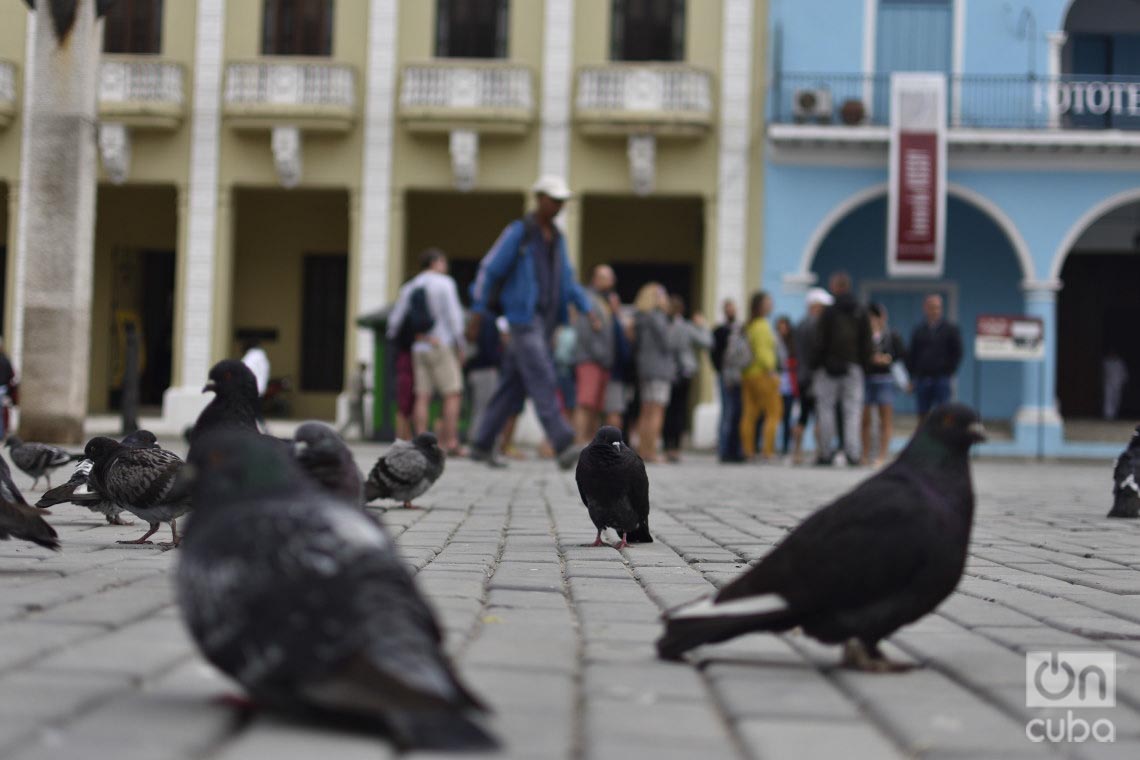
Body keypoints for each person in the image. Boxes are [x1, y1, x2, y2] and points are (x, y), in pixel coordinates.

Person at [467, 175, 591, 470]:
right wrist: (478, 310)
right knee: (543, 376)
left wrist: (587, 306)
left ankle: (481, 443)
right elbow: (491, 269)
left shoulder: (558, 239)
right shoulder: (519, 233)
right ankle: (562, 443)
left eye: (562, 201)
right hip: (522, 319)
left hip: (545, 321)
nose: (559, 206)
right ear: (539, 199)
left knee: (512, 385)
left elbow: (567, 279)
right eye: (554, 200)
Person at [388, 248, 468, 456]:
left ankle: (421, 441)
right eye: (443, 261)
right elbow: (454, 316)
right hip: (440, 344)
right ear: (436, 263)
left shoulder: (410, 286)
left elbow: (395, 321)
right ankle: (451, 441)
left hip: (418, 347)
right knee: (452, 393)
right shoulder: (445, 283)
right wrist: (461, 345)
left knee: (422, 395)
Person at [811, 272, 872, 466]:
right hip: (853, 366)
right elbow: (867, 341)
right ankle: (852, 453)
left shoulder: (829, 312)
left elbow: (819, 339)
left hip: (828, 368)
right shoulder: (860, 310)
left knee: (826, 409)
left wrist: (818, 363)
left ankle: (826, 452)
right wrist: (864, 364)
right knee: (852, 411)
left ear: (835, 287)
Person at [663, 295, 712, 463]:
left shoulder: (664, 326)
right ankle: (675, 448)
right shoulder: (686, 327)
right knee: (678, 410)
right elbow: (707, 341)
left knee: (668, 410)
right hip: (683, 372)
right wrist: (702, 326)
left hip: (667, 372)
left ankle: (667, 446)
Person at [573, 265, 618, 443]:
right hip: (590, 360)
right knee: (585, 403)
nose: (608, 282)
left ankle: (589, 444)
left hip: (602, 361)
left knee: (595, 407)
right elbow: (584, 331)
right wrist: (599, 354)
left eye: (610, 278)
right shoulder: (588, 299)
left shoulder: (605, 301)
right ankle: (578, 443)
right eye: (604, 277)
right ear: (595, 279)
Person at [790, 287, 832, 464]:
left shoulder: (799, 325)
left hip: (802, 375)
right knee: (818, 415)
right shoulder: (817, 325)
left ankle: (797, 452)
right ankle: (819, 451)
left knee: (803, 415)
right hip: (815, 375)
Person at [739, 291, 783, 461]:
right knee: (774, 413)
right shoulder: (763, 326)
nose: (772, 304)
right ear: (761, 306)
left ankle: (748, 450)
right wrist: (771, 369)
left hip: (747, 374)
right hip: (763, 374)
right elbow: (763, 351)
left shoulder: (749, 325)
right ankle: (768, 451)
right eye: (769, 301)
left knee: (749, 414)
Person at [861, 303, 906, 467]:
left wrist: (888, 359)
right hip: (867, 378)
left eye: (875, 317)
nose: (873, 321)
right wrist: (870, 359)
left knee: (885, 419)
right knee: (865, 419)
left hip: (885, 380)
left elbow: (901, 354)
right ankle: (864, 454)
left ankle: (881, 455)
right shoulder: (863, 337)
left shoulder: (891, 335)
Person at [633, 282, 674, 463]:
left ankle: (643, 450)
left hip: (645, 368)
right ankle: (652, 451)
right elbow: (667, 342)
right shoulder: (657, 317)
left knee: (646, 411)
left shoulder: (641, 317)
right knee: (657, 411)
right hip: (659, 369)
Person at [906, 293, 963, 420]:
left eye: (937, 307)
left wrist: (948, 370)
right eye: (932, 307)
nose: (935, 310)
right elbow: (912, 354)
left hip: (941, 379)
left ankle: (944, 439)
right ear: (925, 308)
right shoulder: (919, 330)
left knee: (944, 413)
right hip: (922, 379)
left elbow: (957, 353)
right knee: (922, 415)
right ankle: (923, 439)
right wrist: (912, 377)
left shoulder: (950, 329)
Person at [711, 299, 743, 462]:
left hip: (737, 376)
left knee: (736, 412)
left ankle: (735, 449)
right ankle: (724, 450)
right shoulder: (719, 331)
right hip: (725, 375)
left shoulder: (740, 329)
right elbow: (714, 354)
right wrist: (721, 371)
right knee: (727, 412)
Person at [465, 313, 505, 441]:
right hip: (486, 370)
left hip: (474, 370)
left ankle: (474, 436)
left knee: (478, 408)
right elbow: (489, 349)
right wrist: (498, 361)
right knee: (485, 409)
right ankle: (478, 439)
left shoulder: (475, 318)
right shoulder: (490, 320)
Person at [774, 315, 798, 457]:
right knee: (775, 416)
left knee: (788, 417)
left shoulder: (792, 343)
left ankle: (785, 446)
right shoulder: (775, 341)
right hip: (777, 383)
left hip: (789, 384)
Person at [339, 361, 369, 439]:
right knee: (353, 418)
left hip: (351, 398)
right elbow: (360, 388)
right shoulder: (359, 376)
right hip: (356, 400)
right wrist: (366, 390)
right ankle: (340, 432)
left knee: (359, 419)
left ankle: (362, 435)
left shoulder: (353, 374)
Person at [1104, 350, 1129, 420]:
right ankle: (1108, 415)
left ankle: (1114, 414)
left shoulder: (1120, 363)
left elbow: (1124, 373)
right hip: (1108, 383)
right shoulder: (1106, 362)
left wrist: (1124, 382)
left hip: (1118, 383)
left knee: (1117, 399)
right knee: (1108, 399)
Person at [0, 339, 15, 440]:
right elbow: (12, 375)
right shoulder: (6, 359)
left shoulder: (3, 360)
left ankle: (1, 434)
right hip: (4, 388)